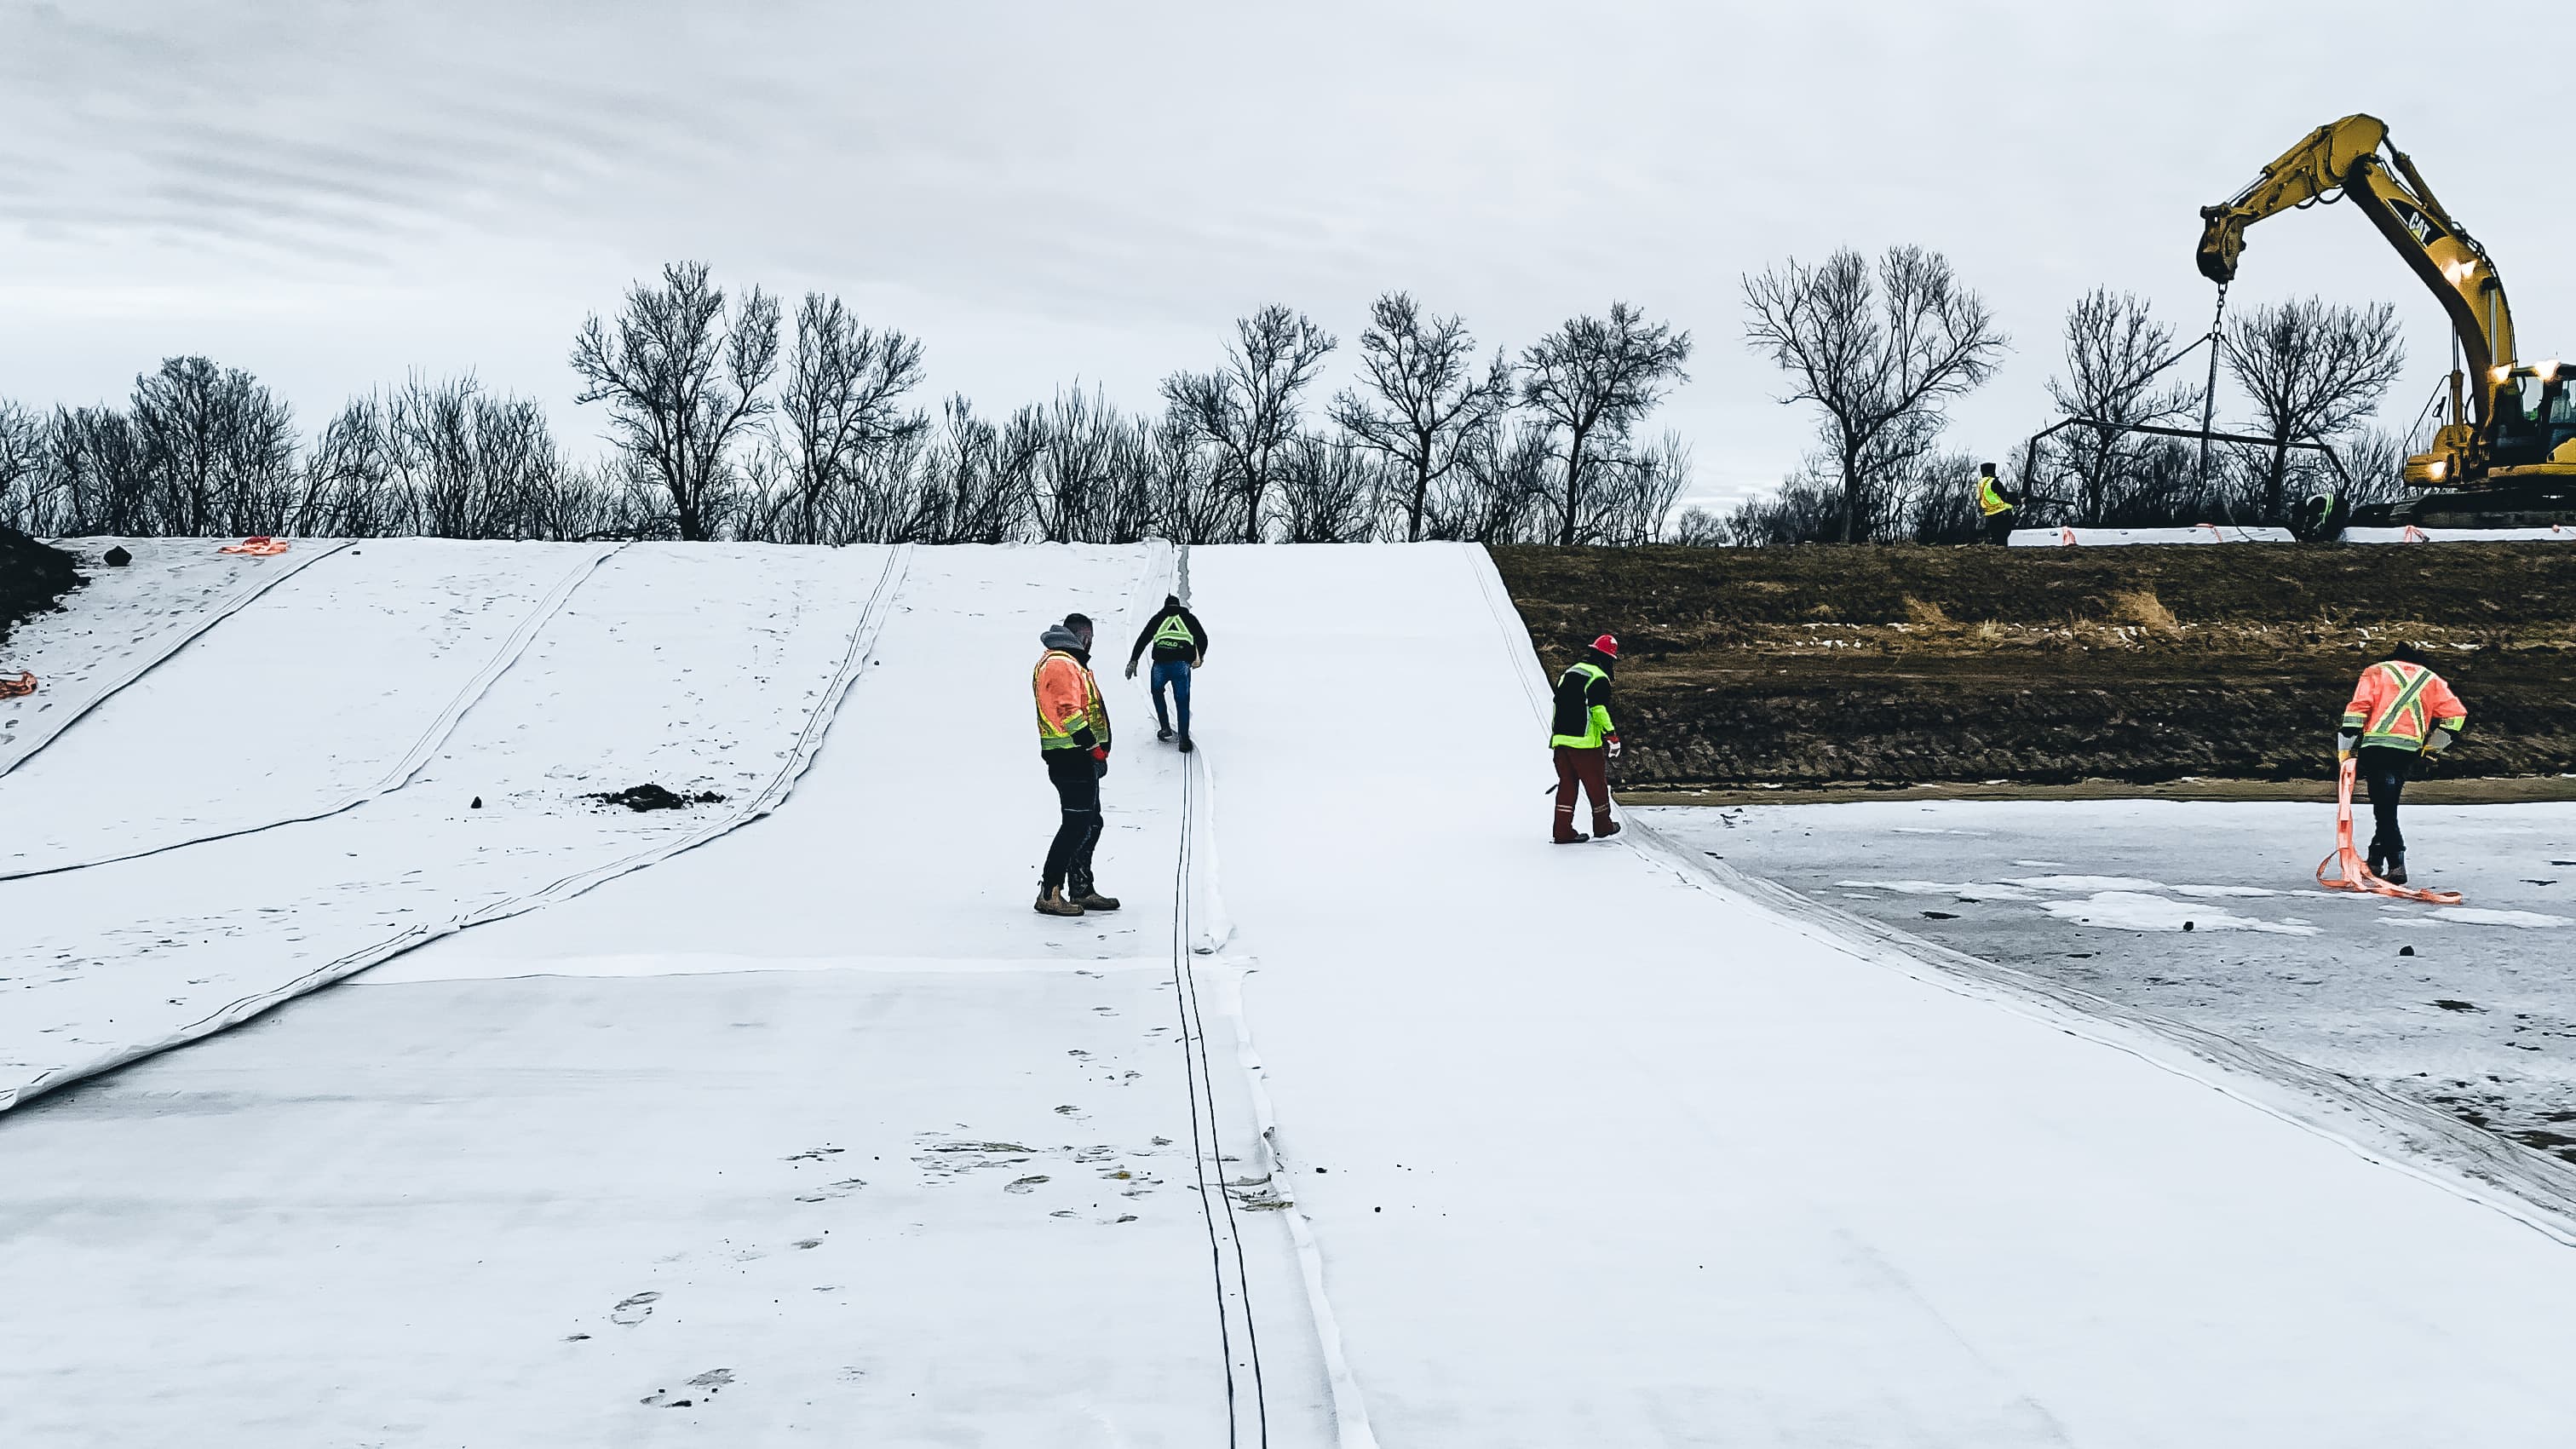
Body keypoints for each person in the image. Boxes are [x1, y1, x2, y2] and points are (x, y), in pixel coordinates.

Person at [2337, 641, 2468, 885]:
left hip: (2376, 749)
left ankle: (2397, 864)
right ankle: (2375, 860)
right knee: (2387, 805)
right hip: (2407, 752)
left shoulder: (2376, 672)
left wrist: (2344, 750)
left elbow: (2357, 710)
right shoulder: (2431, 679)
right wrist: (2433, 748)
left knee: (2384, 810)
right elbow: (2456, 715)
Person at [1033, 612, 1118, 917]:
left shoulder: (1069, 663)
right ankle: (1050, 892)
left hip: (1077, 756)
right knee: (1076, 824)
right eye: (1090, 639)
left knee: (1090, 823)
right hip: (1070, 756)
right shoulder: (1060, 663)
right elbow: (1068, 711)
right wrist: (1093, 747)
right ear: (1084, 637)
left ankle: (1081, 888)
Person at [1550, 634, 1623, 844]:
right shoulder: (1598, 678)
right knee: (1597, 784)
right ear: (1608, 659)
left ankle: (1562, 831)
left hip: (1561, 740)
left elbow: (1558, 705)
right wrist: (1611, 735)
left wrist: (1557, 735)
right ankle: (1603, 826)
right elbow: (1598, 710)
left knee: (1567, 784)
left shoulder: (1569, 673)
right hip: (1584, 743)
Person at [1125, 592, 1209, 753]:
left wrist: (1134, 660)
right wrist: (1199, 657)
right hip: (1181, 665)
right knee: (1182, 701)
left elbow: (1143, 638)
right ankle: (1183, 739)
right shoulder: (1188, 618)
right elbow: (1203, 638)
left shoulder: (1159, 618)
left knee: (1157, 693)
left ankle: (1165, 729)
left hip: (1160, 664)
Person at [1975, 463, 2020, 545]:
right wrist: (2018, 500)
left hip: (1989, 515)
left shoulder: (1981, 483)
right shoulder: (1994, 482)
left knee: (1995, 539)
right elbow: (2005, 497)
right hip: (2001, 514)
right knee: (2002, 538)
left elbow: (1980, 499)